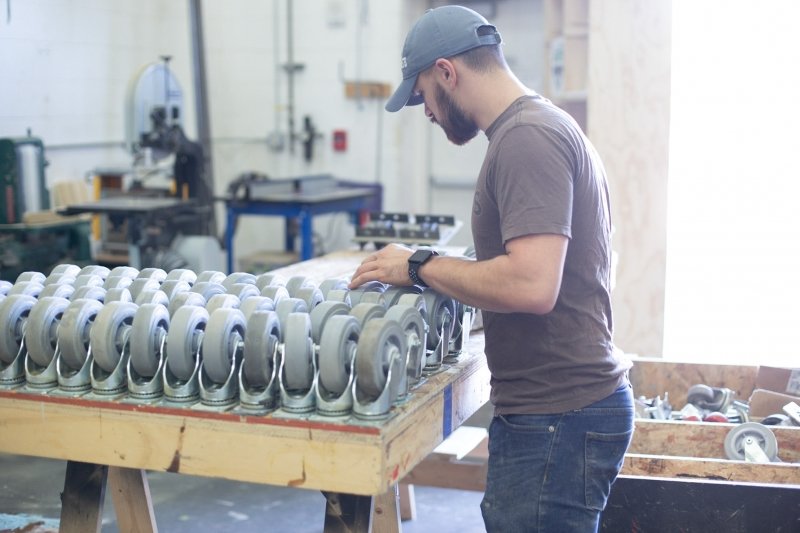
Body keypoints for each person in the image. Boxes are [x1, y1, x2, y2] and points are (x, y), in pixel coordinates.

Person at [348, 5, 633, 532]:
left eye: (423, 97)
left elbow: (532, 283)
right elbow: (544, 268)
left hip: (556, 417)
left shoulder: (528, 139)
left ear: (447, 73)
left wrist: (419, 265)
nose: (427, 112)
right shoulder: (535, 127)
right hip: (557, 412)